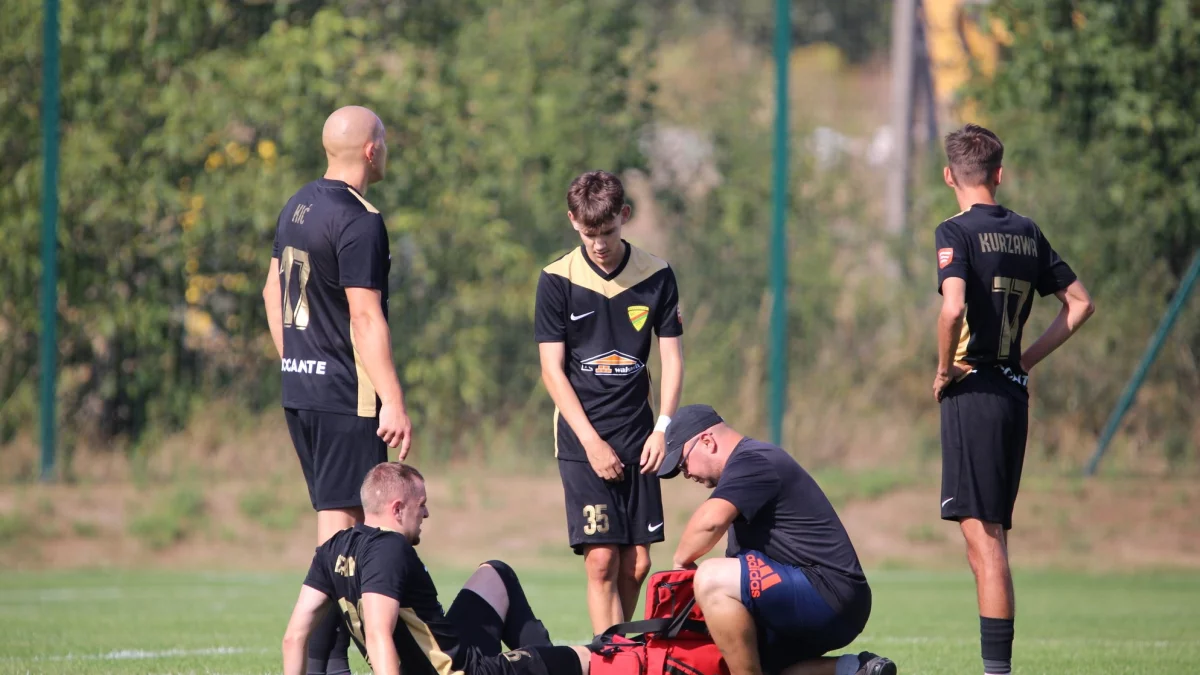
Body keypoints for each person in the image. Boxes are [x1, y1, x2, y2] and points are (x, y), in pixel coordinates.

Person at [932, 123, 1095, 675]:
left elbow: (953, 307)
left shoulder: (954, 231)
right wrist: (1025, 361)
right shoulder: (1027, 232)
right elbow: (1080, 303)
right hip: (1011, 394)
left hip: (974, 390)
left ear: (949, 175)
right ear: (999, 175)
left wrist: (943, 369)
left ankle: (996, 672)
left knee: (984, 541)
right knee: (990, 535)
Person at [263, 105, 414, 675]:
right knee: (341, 534)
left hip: (301, 392)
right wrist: (392, 399)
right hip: (346, 398)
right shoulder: (360, 219)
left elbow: (270, 292)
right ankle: (319, 658)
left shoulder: (298, 203)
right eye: (386, 140)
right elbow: (365, 317)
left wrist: (296, 361)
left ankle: (328, 660)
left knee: (341, 527)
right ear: (372, 151)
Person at [534, 170, 685, 635]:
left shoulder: (656, 275)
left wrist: (663, 428)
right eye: (588, 233)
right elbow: (552, 371)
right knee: (602, 559)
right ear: (572, 221)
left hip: (640, 437)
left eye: (607, 231)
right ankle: (611, 659)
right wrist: (591, 442)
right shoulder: (556, 279)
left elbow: (672, 359)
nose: (599, 244)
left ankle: (617, 648)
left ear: (625, 216)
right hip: (583, 439)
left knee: (638, 563)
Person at [281, 462, 591, 675]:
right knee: (584, 656)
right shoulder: (389, 549)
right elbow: (377, 633)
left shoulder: (332, 547)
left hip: (440, 657)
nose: (426, 513)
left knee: (496, 573)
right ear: (397, 509)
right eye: (421, 504)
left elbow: (293, 638)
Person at [658, 404, 896, 675]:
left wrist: (680, 563)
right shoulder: (746, 468)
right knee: (751, 660)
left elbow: (709, 522)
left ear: (707, 442)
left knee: (712, 578)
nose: (686, 473)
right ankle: (855, 669)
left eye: (683, 462)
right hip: (832, 599)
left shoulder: (753, 461)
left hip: (826, 591)